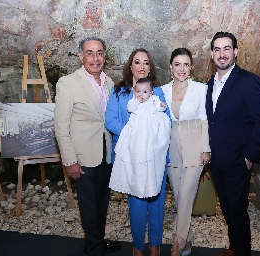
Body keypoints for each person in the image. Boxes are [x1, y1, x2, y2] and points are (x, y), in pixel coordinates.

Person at [54, 37, 121, 256]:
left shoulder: (110, 82)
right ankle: (94, 249)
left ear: (104, 56)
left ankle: (97, 242)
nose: (95, 58)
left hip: (105, 154)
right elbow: (61, 126)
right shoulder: (68, 83)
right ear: (81, 56)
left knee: (102, 203)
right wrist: (70, 160)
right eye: (90, 53)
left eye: (99, 53)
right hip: (82, 156)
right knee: (89, 206)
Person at [205, 32, 260, 256]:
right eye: (217, 49)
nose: (222, 54)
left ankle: (242, 251)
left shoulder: (248, 80)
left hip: (239, 160)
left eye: (226, 49)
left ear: (235, 52)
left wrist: (250, 155)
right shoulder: (211, 82)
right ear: (212, 54)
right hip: (217, 159)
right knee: (226, 207)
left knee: (238, 209)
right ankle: (234, 247)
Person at [105, 49, 170, 256]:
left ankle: (155, 246)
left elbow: (166, 121)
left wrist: (148, 137)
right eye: (137, 62)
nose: (142, 66)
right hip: (131, 156)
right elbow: (110, 120)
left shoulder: (157, 93)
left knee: (157, 202)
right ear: (130, 66)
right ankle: (138, 247)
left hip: (155, 156)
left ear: (150, 69)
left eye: (146, 63)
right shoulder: (119, 92)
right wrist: (134, 135)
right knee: (137, 204)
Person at [161, 48, 211, 256]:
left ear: (191, 67)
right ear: (171, 67)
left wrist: (206, 149)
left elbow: (205, 119)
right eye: (177, 64)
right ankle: (188, 240)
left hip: (194, 145)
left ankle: (177, 242)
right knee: (180, 196)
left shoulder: (200, 89)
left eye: (186, 64)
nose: (181, 69)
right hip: (171, 146)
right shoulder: (161, 90)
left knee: (187, 193)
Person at [109, 78, 171, 198]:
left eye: (144, 92)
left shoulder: (154, 100)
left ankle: (149, 182)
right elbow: (130, 108)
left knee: (149, 153)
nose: (141, 95)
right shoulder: (134, 101)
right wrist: (136, 101)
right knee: (137, 155)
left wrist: (162, 106)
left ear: (151, 93)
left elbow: (160, 107)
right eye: (138, 92)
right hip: (138, 133)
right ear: (135, 91)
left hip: (150, 133)